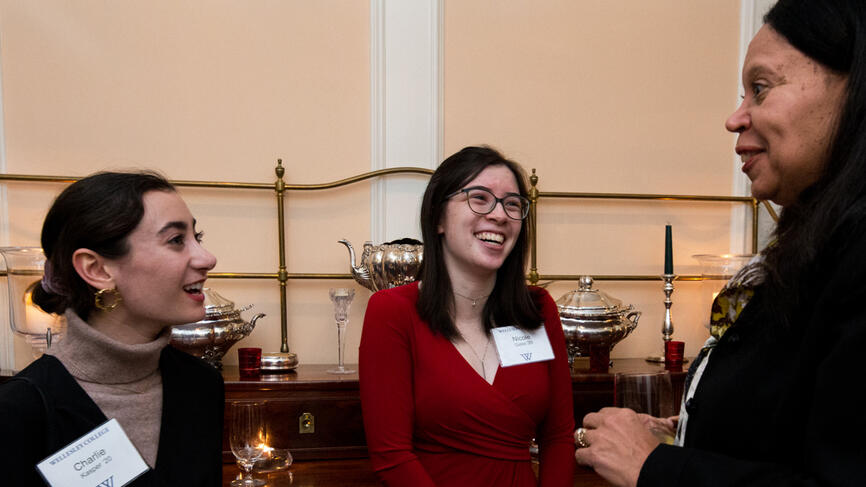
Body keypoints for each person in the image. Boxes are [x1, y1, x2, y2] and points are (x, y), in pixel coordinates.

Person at [574, 1, 866, 486]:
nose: (735, 119)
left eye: (761, 88)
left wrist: (655, 467)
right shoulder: (818, 243)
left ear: (852, 87)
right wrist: (691, 427)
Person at [359, 146, 575, 486]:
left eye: (513, 203)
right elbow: (392, 457)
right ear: (439, 217)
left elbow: (559, 438)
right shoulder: (392, 311)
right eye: (480, 198)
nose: (500, 215)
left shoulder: (538, 308)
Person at [0, 171, 223, 486]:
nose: (207, 258)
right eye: (176, 240)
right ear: (97, 269)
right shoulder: (20, 411)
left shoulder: (201, 384)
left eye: (196, 238)